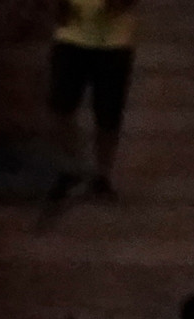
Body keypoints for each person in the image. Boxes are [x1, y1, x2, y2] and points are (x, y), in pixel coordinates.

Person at [47, 0, 136, 201]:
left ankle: (102, 175)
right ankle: (70, 167)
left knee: (108, 114)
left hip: (114, 41)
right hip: (70, 35)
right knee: (60, 108)